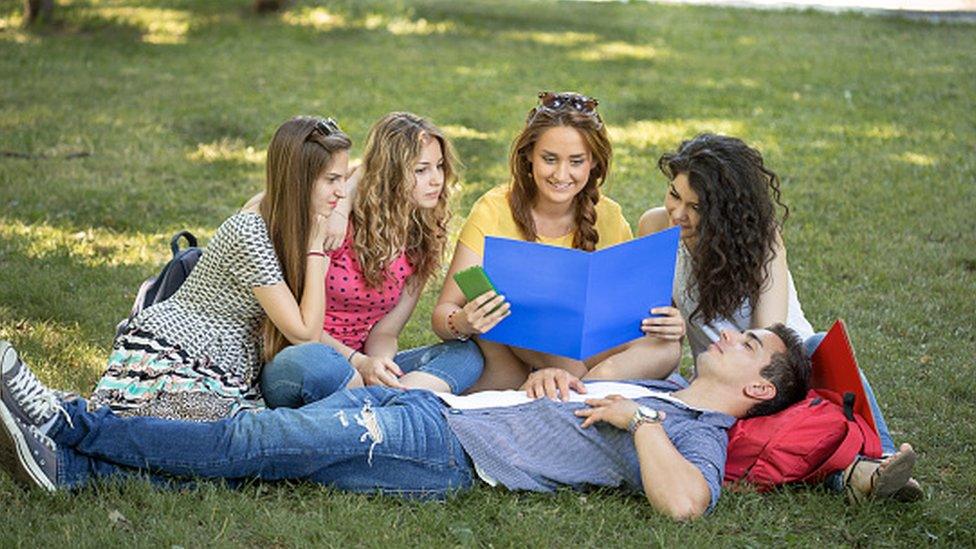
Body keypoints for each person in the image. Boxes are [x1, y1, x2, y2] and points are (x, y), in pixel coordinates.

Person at [1, 324, 810, 520]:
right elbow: (590, 376)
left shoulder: (694, 434)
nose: (729, 335)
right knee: (265, 450)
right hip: (432, 407)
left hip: (444, 450)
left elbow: (686, 505)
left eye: (749, 344)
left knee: (261, 439)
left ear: (760, 391)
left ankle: (67, 420)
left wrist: (638, 424)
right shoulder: (668, 378)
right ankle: (79, 469)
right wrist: (568, 376)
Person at [638, 133, 921, 503]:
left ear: (726, 213)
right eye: (675, 195)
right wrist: (668, 327)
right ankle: (859, 476)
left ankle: (880, 455)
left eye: (697, 207)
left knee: (816, 347)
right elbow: (652, 324)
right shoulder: (654, 227)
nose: (678, 214)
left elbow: (770, 334)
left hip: (784, 369)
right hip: (724, 380)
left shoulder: (762, 242)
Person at [86, 116, 352, 422]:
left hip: (229, 360)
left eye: (343, 179)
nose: (342, 191)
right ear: (299, 180)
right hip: (181, 353)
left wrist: (339, 213)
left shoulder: (291, 218)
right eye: (332, 180)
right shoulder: (250, 231)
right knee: (190, 435)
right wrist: (315, 250)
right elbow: (305, 335)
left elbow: (368, 172)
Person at [432, 92, 685, 392]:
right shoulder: (494, 209)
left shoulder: (609, 215)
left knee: (667, 349)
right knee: (566, 359)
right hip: (521, 343)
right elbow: (442, 312)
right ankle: (581, 393)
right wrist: (462, 321)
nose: (561, 175)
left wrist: (671, 324)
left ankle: (582, 391)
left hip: (590, 353)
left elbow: (634, 314)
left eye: (576, 161)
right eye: (549, 159)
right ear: (529, 155)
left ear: (593, 163)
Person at [254, 112, 484, 408]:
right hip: (302, 357)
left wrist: (380, 364)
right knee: (318, 363)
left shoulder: (423, 240)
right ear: (391, 173)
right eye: (421, 170)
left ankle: (376, 401)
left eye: (439, 166)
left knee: (466, 356)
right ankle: (391, 407)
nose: (436, 180)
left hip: (361, 367)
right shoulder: (335, 221)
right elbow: (297, 327)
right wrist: (358, 362)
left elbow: (386, 332)